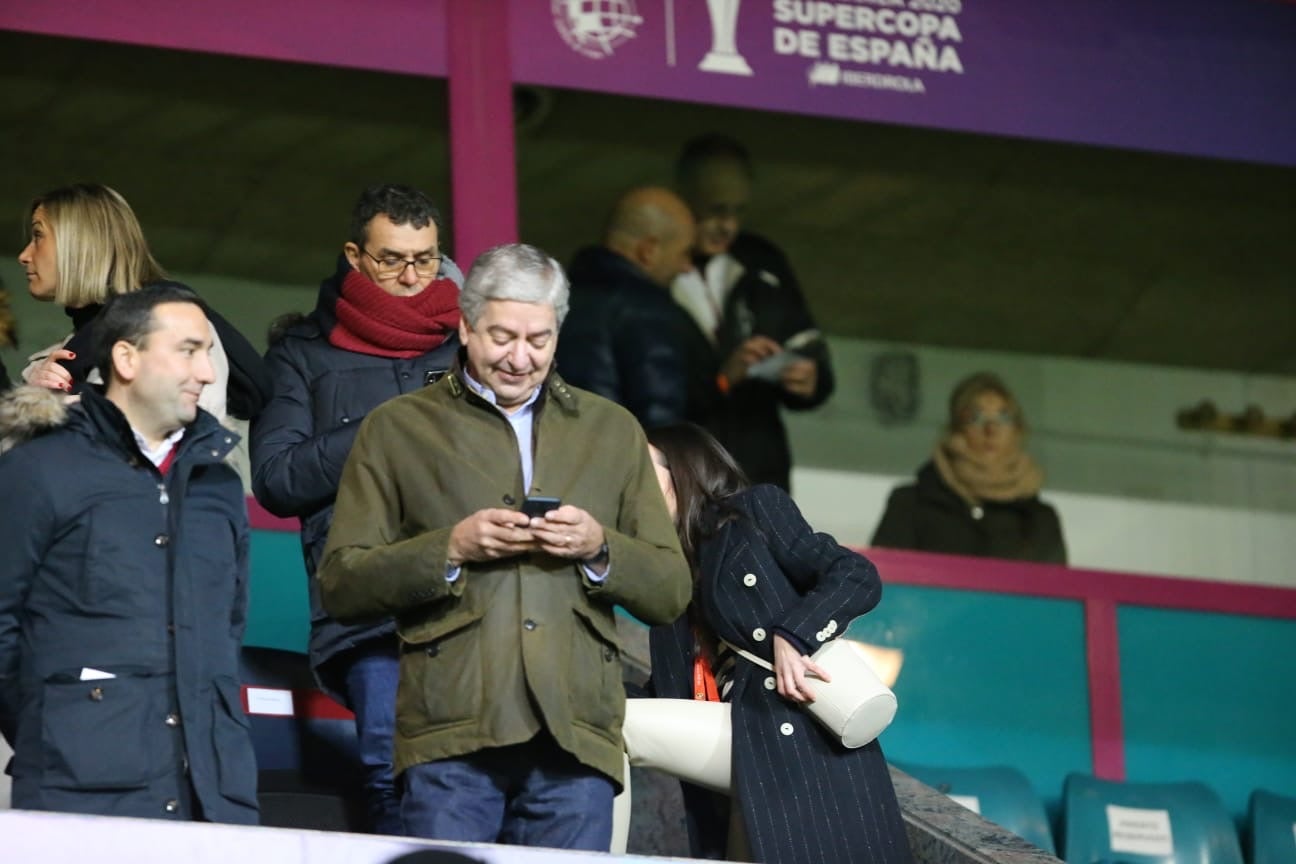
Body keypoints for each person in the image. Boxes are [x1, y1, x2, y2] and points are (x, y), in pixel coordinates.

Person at [317, 242, 691, 850]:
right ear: (465, 326)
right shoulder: (399, 427)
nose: (520, 358)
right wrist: (451, 547)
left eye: (539, 340)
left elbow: (671, 590)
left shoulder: (613, 430)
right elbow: (342, 583)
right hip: (450, 734)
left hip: (576, 736)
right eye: (502, 337)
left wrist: (600, 548)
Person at [0, 283, 259, 823]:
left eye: (207, 353)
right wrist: (58, 725)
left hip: (213, 797)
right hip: (79, 792)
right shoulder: (39, 468)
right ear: (126, 358)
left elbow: (226, 630)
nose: (208, 373)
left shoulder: (220, 484)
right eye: (188, 351)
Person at [251, 184, 465, 834]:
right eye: (392, 259)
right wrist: (385, 427)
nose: (411, 276)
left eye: (425, 259)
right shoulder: (301, 354)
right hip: (368, 610)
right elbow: (277, 479)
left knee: (482, 775)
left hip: (475, 601)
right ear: (354, 254)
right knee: (390, 772)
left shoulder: (476, 346)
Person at [644, 422, 912, 864]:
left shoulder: (751, 512)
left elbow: (855, 575)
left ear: (682, 467)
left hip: (785, 732)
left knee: (618, 728)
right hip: (731, 734)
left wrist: (793, 634)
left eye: (639, 467)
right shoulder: (664, 573)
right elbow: (671, 689)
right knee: (607, 727)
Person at [16, 183, 270, 482]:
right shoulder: (66, 352)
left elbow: (167, 462)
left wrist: (59, 408)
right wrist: (34, 398)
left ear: (80, 242)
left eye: (38, 235)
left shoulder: (177, 328)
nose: (24, 255)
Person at [672, 134, 834, 491]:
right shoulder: (652, 271)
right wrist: (722, 380)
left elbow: (814, 355)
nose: (728, 224)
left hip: (759, 476)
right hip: (680, 476)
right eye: (715, 209)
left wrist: (809, 379)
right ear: (683, 198)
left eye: (738, 210)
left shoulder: (764, 263)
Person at [871, 371, 1068, 563]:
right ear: (956, 429)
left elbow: (1056, 591)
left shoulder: (1041, 520)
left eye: (1004, 417)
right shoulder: (910, 505)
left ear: (1018, 431)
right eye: (976, 417)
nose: (991, 429)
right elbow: (882, 582)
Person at [556, 186, 710, 428]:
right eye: (685, 253)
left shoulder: (557, 297)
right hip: (622, 459)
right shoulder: (648, 308)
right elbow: (660, 417)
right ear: (648, 250)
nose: (687, 267)